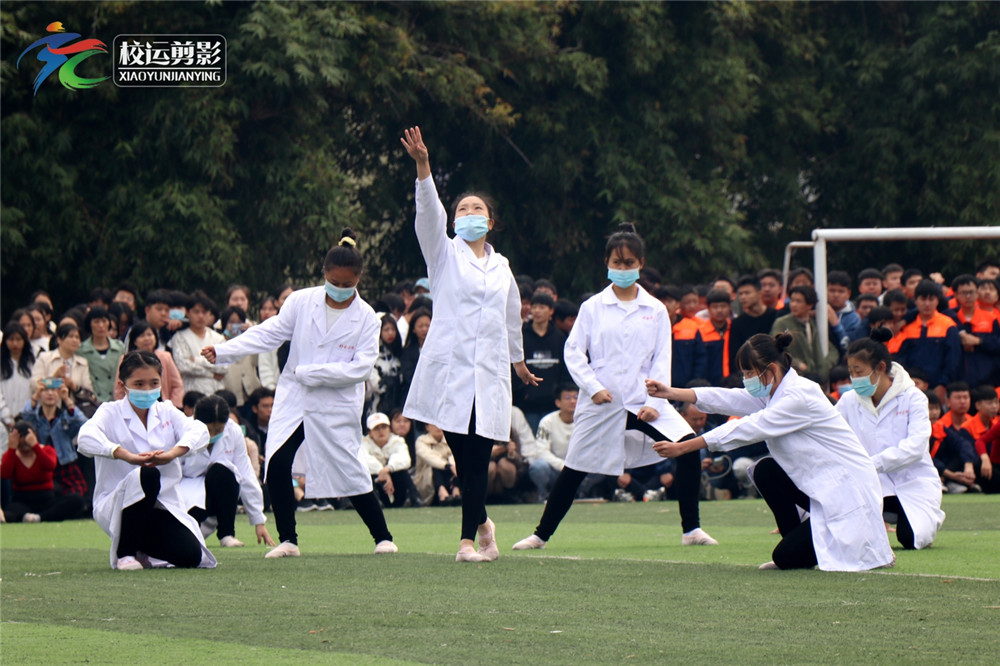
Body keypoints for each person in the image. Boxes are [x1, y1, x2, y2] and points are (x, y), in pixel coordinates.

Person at [513, 223, 715, 553]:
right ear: (607, 263)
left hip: (643, 398)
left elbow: (662, 358)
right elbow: (573, 352)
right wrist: (593, 387)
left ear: (641, 263)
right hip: (602, 400)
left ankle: (691, 528)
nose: (623, 268)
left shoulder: (656, 309)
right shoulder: (593, 307)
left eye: (629, 262)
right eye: (617, 262)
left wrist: (656, 403)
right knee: (575, 468)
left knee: (688, 446)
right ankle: (540, 535)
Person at [202, 230, 397, 558]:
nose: (340, 288)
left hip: (336, 402)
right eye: (334, 281)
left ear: (359, 279)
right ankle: (288, 540)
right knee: (278, 462)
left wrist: (311, 373)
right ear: (324, 274)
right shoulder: (301, 301)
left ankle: (383, 537)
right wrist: (224, 351)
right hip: (296, 398)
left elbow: (361, 369)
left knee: (348, 467)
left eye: (348, 284)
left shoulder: (367, 318)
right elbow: (269, 333)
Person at [400, 126, 538, 562]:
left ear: (490, 222)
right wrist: (423, 167)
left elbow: (511, 315)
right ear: (454, 220)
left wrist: (518, 362)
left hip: (490, 372)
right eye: (462, 209)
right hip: (451, 370)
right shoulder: (443, 254)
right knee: (462, 456)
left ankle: (466, 543)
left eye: (477, 209)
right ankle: (484, 526)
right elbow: (428, 215)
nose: (469, 213)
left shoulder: (503, 267)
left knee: (478, 457)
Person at [647, 333, 894, 571]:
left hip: (849, 492)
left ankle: (804, 550)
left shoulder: (798, 396)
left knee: (784, 557)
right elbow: (730, 398)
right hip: (826, 487)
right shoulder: (773, 392)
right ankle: (796, 541)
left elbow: (749, 427)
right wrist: (671, 392)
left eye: (749, 373)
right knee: (766, 470)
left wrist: (685, 446)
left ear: (772, 370)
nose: (746, 380)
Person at [77, 351, 216, 570]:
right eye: (139, 384)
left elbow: (199, 432)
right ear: (123, 386)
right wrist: (125, 455)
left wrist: (172, 453)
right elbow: (85, 438)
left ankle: (142, 549)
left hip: (162, 506)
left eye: (153, 383)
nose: (147, 389)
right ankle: (125, 553)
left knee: (191, 555)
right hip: (119, 506)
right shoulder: (109, 412)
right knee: (147, 475)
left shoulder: (167, 411)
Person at [834, 329, 945, 550]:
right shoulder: (848, 401)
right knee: (852, 541)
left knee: (910, 537)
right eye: (851, 372)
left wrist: (870, 464)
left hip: (913, 481)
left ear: (881, 368)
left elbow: (916, 447)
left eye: (859, 371)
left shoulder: (913, 397)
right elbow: (831, 435)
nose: (854, 378)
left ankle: (924, 518)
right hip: (868, 484)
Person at [180, 395, 274, 548]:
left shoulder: (234, 431)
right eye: (209, 430)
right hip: (186, 491)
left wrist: (258, 521)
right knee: (185, 539)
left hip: (220, 491)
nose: (213, 434)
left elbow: (245, 473)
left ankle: (226, 534)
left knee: (223, 470)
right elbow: (172, 473)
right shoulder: (183, 429)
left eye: (218, 429)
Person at [1, 420, 85, 523]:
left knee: (76, 500)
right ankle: (29, 516)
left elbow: (50, 466)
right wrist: (12, 449)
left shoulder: (47, 450)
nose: (25, 449)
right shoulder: (11, 455)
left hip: (46, 499)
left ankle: (39, 517)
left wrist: (35, 446)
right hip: (22, 501)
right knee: (11, 512)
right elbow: (5, 474)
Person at [889, 280, 961, 397]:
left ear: (938, 300)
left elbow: (953, 359)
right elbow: (901, 358)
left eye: (931, 299)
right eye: (923, 299)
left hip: (939, 388)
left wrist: (943, 384)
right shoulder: (906, 326)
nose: (927, 304)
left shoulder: (948, 325)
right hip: (909, 387)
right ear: (915, 300)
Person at [21, 378, 89, 498]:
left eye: (54, 390)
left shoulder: (65, 417)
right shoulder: (36, 419)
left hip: (65, 464)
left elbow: (83, 422)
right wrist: (35, 396)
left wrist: (67, 399)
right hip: (43, 467)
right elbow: (25, 416)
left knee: (76, 497)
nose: (50, 393)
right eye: (45, 390)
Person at [515, 292, 569, 431]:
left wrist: (558, 392)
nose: (537, 311)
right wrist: (524, 393)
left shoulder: (559, 338)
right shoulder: (521, 336)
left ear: (551, 311)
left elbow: (565, 369)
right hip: (528, 405)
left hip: (552, 404)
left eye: (542, 307)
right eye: (534, 307)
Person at [770, 286, 839, 377]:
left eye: (798, 301)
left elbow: (832, 350)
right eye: (792, 300)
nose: (794, 304)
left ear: (809, 305)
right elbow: (775, 349)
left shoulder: (813, 324)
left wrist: (824, 366)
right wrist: (797, 364)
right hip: (793, 376)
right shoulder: (782, 323)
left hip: (816, 376)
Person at [114, 321, 185, 408]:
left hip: (162, 404)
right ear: (134, 341)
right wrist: (123, 408)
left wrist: (172, 406)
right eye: (142, 336)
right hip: (134, 405)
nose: (147, 339)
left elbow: (177, 385)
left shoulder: (166, 357)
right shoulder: (126, 359)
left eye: (150, 335)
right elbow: (119, 389)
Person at [172, 291, 228, 395]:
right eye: (196, 312)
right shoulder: (180, 338)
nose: (201, 316)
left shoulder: (218, 339)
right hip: (190, 393)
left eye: (204, 312)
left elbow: (224, 367)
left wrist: (197, 360)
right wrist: (212, 374)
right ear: (188, 313)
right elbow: (183, 366)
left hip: (215, 392)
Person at [359, 412, 418, 508]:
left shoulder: (397, 441)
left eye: (384, 427)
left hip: (394, 485)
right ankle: (374, 502)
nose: (381, 431)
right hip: (376, 483)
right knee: (365, 474)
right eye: (376, 428)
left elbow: (405, 459)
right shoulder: (363, 443)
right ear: (370, 433)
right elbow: (364, 460)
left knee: (402, 472)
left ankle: (414, 499)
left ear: (390, 429)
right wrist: (381, 471)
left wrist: (387, 469)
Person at [77, 306, 126, 404]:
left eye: (104, 321)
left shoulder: (119, 347)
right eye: (96, 322)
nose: (101, 325)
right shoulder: (81, 350)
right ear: (89, 324)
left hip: (115, 400)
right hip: (92, 401)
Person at [31, 323, 94, 397]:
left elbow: (89, 393)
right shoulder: (44, 358)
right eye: (70, 336)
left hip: (73, 403)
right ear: (59, 340)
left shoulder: (82, 362)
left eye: (77, 337)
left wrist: (73, 386)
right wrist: (54, 378)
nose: (75, 340)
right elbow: (34, 385)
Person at [218, 306, 262, 407]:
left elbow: (257, 361)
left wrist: (252, 333)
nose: (235, 326)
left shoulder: (249, 342)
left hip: (252, 395)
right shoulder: (218, 343)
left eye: (239, 322)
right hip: (230, 396)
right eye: (232, 322)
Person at [414, 423, 459, 505]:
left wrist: (452, 466)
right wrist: (447, 465)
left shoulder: (450, 439)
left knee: (457, 466)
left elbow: (454, 456)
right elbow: (429, 457)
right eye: (434, 424)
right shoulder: (421, 441)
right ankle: (442, 492)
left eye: (441, 423)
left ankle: (456, 491)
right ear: (427, 427)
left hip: (450, 476)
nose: (438, 427)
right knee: (435, 465)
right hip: (428, 481)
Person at [1, 323, 35, 426]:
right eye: (11, 339)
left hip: (28, 417)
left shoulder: (32, 363)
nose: (15, 343)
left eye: (18, 339)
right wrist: (7, 417)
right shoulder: (2, 364)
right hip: (3, 420)